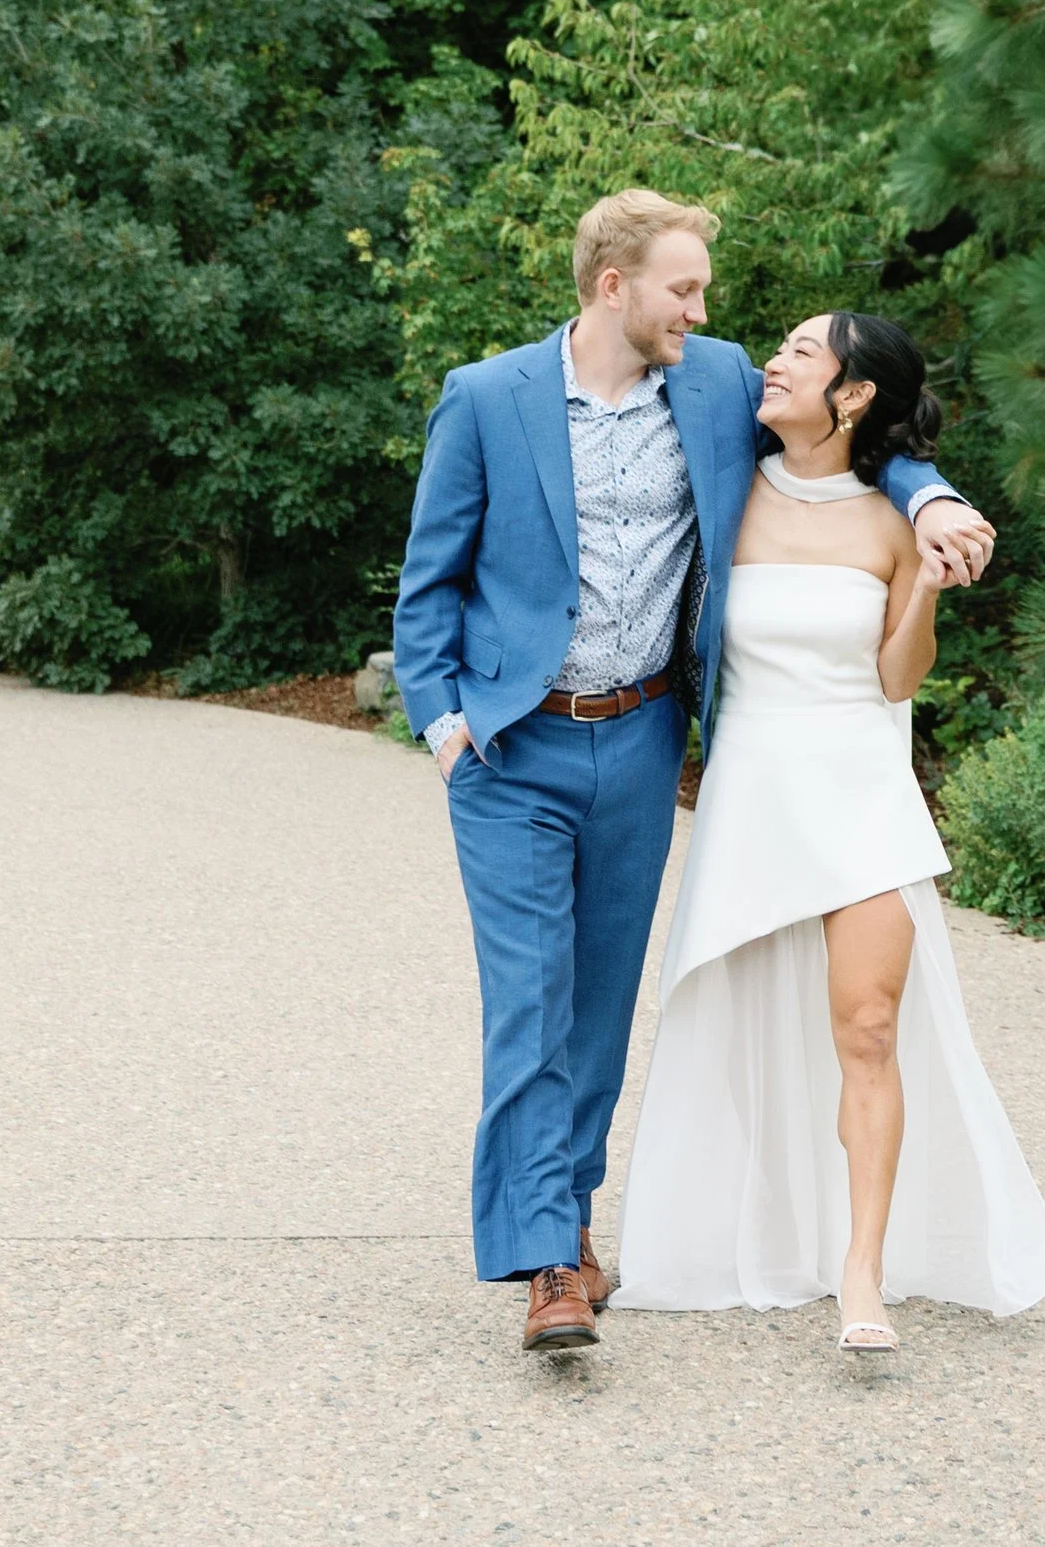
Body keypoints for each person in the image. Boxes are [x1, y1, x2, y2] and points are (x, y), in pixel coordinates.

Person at [393, 191, 997, 1352]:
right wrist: (443, 723)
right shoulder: (485, 397)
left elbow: (865, 447)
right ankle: (550, 1261)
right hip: (511, 744)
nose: (704, 310)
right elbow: (428, 579)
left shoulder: (715, 382)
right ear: (612, 285)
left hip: (641, 739)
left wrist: (938, 499)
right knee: (529, 999)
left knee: (602, 1007)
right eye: (684, 287)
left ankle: (565, 1220)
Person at [611, 311, 1045, 1347]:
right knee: (728, 1020)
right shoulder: (726, 497)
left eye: (799, 351)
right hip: (751, 786)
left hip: (862, 784)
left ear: (855, 391)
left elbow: (894, 678)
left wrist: (921, 580)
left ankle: (861, 1270)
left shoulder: (894, 516)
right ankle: (734, 1228)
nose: (771, 361)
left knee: (867, 1028)